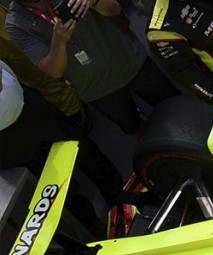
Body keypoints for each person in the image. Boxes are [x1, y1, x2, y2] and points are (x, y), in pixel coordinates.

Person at [0, 0, 180, 135]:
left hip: (129, 61)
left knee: (173, 104)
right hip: (97, 90)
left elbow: (114, 8)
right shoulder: (16, 24)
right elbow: (54, 71)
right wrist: (58, 41)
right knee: (133, 126)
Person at [0, 57, 126, 236]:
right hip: (6, 142)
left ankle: (119, 195)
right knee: (49, 183)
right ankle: (93, 224)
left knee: (82, 149)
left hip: (29, 106)